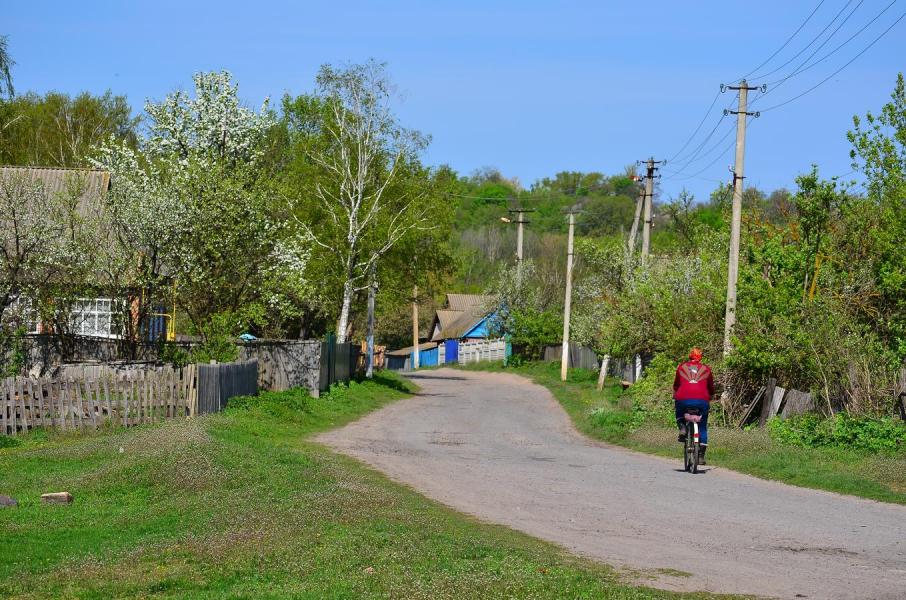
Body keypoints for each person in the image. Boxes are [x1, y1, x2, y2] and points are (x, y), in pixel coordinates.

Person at [673, 348, 715, 464]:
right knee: (702, 426)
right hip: (702, 401)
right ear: (700, 357)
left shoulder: (681, 367)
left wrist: (675, 394)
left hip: (683, 399)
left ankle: (682, 427)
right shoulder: (706, 368)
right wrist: (711, 395)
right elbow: (711, 388)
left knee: (679, 410)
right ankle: (700, 456)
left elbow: (676, 385)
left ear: (690, 356)